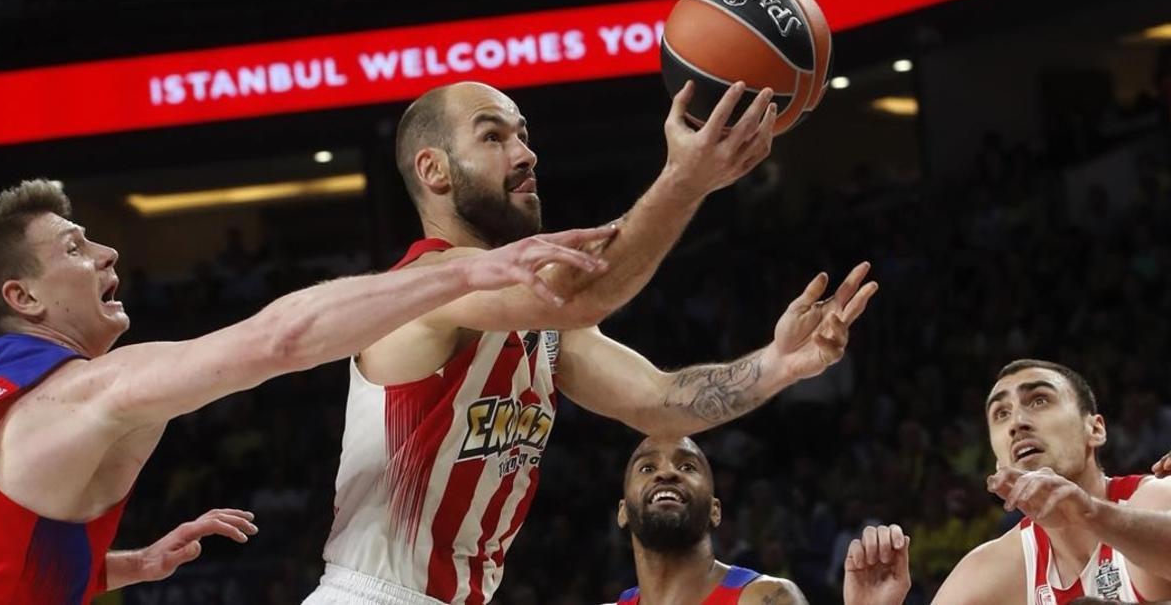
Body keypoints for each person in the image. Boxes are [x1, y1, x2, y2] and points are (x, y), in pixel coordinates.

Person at [308, 79, 877, 604]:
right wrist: (685, 180)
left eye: (524, 136)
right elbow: (582, 294)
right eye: (493, 136)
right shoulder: (425, 286)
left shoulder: (544, 327)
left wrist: (778, 364)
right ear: (434, 170)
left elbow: (659, 401)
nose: (526, 154)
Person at [0, 179, 614, 603]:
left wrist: (123, 566)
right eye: (76, 248)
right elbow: (278, 340)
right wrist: (467, 272)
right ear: (22, 298)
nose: (108, 252)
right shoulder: (82, 396)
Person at [843, 359, 1171, 605]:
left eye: (1039, 400)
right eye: (1001, 414)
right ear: (998, 459)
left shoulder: (1154, 498)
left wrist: (1088, 512)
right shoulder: (991, 569)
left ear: (1095, 429)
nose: (1017, 423)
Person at [613, 435, 808, 604]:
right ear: (623, 512)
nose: (666, 472)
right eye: (647, 468)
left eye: (687, 467)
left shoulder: (766, 598)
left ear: (715, 511)